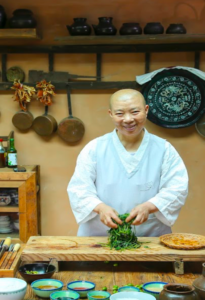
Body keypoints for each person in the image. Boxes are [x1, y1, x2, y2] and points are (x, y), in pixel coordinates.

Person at [67, 89, 188, 237]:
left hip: (149, 237)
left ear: (146, 110)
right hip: (98, 237)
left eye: (135, 112)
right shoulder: (94, 149)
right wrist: (100, 208)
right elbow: (79, 188)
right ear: (110, 114)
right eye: (120, 114)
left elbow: (177, 189)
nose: (128, 119)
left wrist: (149, 207)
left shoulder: (164, 150)